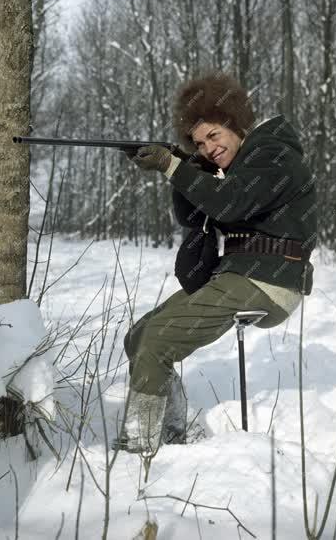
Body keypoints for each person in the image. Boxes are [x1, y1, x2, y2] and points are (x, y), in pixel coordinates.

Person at [117, 72, 317, 453]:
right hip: (238, 275)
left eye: (214, 136)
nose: (208, 148)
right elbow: (194, 216)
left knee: (158, 341)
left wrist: (174, 167)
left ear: (236, 123)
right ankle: (175, 432)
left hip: (270, 282)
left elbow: (228, 204)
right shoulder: (239, 167)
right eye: (198, 143)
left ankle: (138, 449)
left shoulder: (272, 154)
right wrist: (185, 166)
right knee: (139, 337)